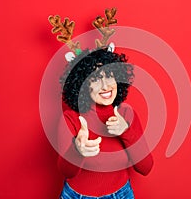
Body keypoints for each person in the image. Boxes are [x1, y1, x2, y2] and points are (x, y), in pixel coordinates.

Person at [57, 48, 154, 199]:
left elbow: (146, 167)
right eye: (95, 79)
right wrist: (77, 150)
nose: (105, 86)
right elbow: (66, 172)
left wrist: (126, 131)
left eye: (109, 76)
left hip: (122, 195)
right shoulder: (71, 118)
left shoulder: (126, 113)